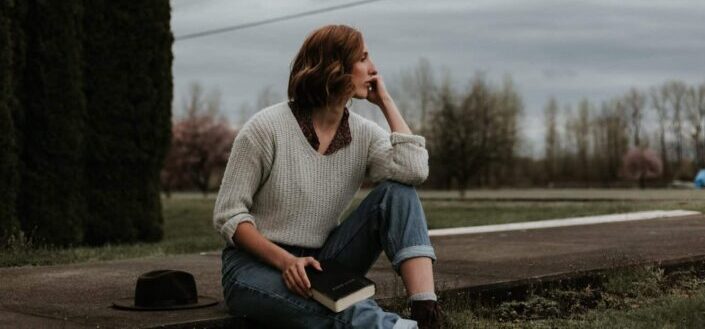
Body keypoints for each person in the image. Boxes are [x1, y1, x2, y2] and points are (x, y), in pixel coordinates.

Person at [214, 24, 444, 329]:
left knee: (398, 194)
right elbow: (228, 216)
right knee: (336, 307)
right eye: (363, 59)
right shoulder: (265, 129)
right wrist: (286, 262)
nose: (374, 69)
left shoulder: (362, 134)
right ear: (335, 67)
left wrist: (386, 102)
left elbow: (414, 170)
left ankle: (426, 315)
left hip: (324, 261)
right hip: (253, 267)